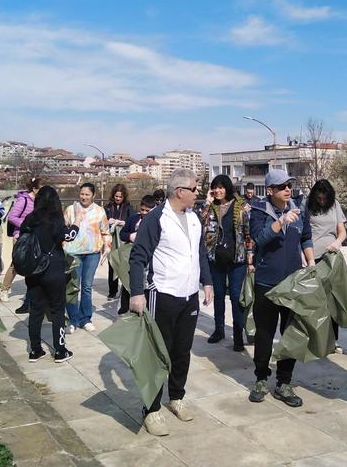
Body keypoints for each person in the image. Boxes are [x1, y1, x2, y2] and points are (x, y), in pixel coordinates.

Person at [129, 168, 213, 437]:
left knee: (181, 351)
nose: (198, 193)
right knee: (157, 354)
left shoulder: (195, 218)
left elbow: (200, 253)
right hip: (162, 294)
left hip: (188, 296)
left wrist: (207, 282)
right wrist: (136, 293)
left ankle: (176, 396)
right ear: (180, 192)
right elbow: (138, 257)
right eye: (195, 188)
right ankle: (151, 409)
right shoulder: (156, 219)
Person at [248, 169, 315, 408]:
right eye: (282, 186)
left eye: (290, 185)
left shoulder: (299, 209)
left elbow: (306, 237)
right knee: (265, 333)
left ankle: (284, 382)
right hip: (266, 282)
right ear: (270, 190)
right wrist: (279, 222)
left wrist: (311, 261)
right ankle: (260, 379)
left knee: (290, 334)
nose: (288, 189)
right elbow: (259, 239)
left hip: (292, 283)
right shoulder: (257, 211)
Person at [20, 185, 82, 363]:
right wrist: (77, 220)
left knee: (36, 310)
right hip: (53, 269)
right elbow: (69, 236)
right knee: (57, 310)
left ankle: (35, 350)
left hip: (33, 270)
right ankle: (60, 351)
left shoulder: (30, 219)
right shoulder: (55, 220)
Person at [199, 174, 252, 351]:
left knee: (236, 298)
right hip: (216, 258)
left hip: (237, 259)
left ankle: (238, 334)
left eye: (221, 187)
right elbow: (200, 223)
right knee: (219, 295)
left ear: (227, 188)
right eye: (215, 187)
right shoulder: (211, 207)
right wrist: (207, 201)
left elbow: (247, 234)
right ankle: (219, 329)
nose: (218, 190)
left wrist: (250, 259)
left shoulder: (240, 206)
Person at [305, 179, 347, 352]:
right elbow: (302, 232)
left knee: (332, 299)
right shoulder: (306, 206)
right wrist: (306, 257)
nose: (322, 201)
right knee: (314, 301)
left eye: (324, 198)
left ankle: (333, 340)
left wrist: (337, 242)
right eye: (319, 198)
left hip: (331, 257)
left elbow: (342, 231)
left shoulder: (335, 205)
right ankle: (314, 338)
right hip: (312, 257)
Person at [64, 182, 111, 333]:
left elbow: (106, 232)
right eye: (82, 194)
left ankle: (85, 318)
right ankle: (72, 319)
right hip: (73, 253)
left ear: (93, 196)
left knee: (87, 287)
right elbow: (63, 230)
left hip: (92, 254)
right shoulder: (71, 210)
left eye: (87, 195)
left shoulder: (100, 211)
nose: (84, 197)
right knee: (73, 287)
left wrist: (106, 248)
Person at [0, 177, 43, 306]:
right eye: (41, 189)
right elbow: (12, 217)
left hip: (35, 237)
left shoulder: (40, 202)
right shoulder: (23, 200)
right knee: (16, 264)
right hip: (21, 236)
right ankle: (4, 290)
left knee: (34, 263)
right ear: (34, 189)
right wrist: (26, 225)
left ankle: (31, 293)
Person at [116, 195, 156, 314]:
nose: (143, 213)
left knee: (146, 285)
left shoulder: (156, 221)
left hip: (149, 259)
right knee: (128, 282)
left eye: (147, 211)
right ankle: (123, 310)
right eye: (142, 209)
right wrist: (130, 236)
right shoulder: (133, 218)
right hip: (132, 256)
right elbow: (122, 234)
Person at [105, 184, 134, 300]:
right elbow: (102, 222)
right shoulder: (107, 207)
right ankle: (112, 291)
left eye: (120, 197)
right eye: (116, 196)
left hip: (122, 241)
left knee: (124, 265)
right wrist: (109, 222)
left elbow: (131, 222)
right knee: (112, 264)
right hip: (111, 240)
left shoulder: (128, 208)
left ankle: (126, 289)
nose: (118, 199)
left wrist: (122, 223)